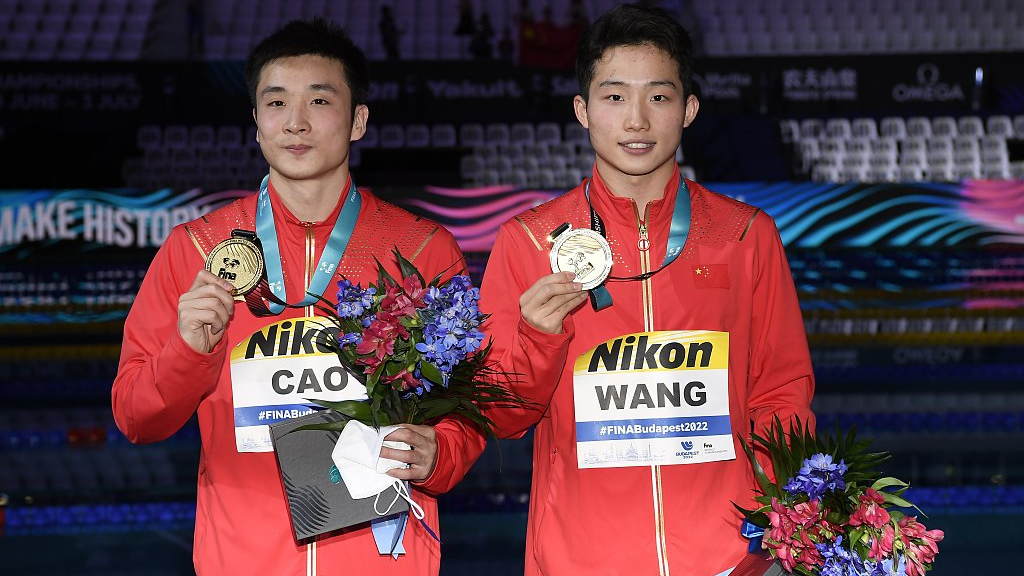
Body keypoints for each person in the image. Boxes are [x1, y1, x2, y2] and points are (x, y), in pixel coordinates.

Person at [112, 18, 484, 576]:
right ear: (256, 122)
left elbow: (469, 407)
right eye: (277, 102)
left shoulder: (421, 248)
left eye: (319, 100)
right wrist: (189, 350)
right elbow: (137, 417)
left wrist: (441, 453)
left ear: (358, 120)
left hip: (384, 559)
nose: (297, 122)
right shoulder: (197, 249)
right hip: (242, 560)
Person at [479, 4, 815, 576]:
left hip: (730, 559)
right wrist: (537, 338)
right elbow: (500, 415)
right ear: (583, 110)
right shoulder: (527, 242)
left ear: (688, 109)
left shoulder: (745, 235)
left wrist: (775, 528)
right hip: (579, 559)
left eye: (658, 97)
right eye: (614, 97)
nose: (636, 120)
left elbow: (782, 393)